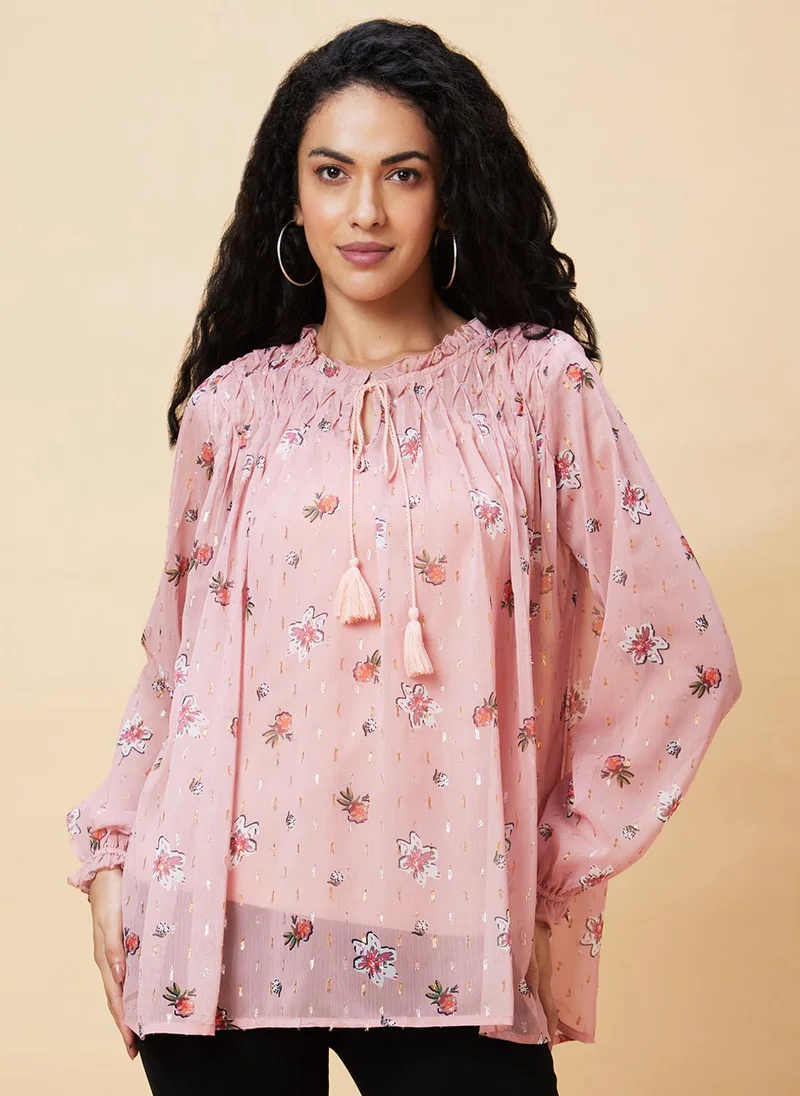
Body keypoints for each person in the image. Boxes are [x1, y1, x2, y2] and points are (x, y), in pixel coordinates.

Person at [64, 17, 743, 1095]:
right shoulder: (234, 411)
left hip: (451, 927)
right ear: (292, 198)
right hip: (216, 925)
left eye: (404, 174)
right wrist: (112, 852)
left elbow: (682, 648)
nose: (366, 211)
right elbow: (173, 662)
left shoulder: (535, 390)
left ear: (449, 194)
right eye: (332, 173)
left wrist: (558, 862)